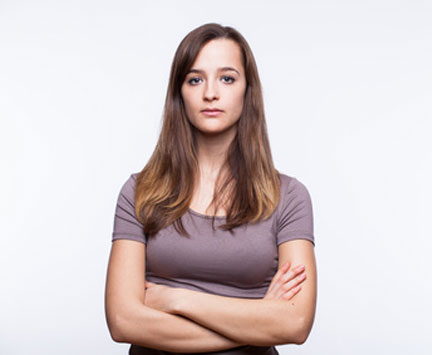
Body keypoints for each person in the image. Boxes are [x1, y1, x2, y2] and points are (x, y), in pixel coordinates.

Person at [104, 23, 317, 355]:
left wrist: (174, 298)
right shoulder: (139, 192)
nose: (210, 93)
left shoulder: (288, 197)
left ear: (248, 91)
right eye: (195, 79)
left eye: (227, 78)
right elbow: (122, 321)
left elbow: (295, 324)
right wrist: (258, 323)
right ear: (180, 93)